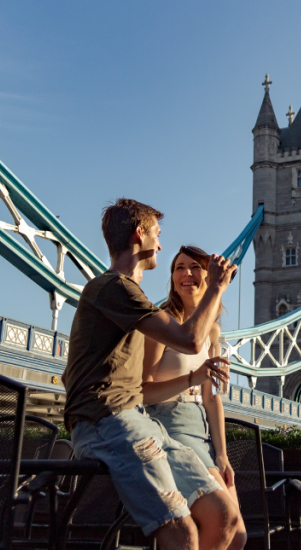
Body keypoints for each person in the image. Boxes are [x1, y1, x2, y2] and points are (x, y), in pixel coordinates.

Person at [62, 198, 243, 550]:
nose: (160, 244)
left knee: (226, 517)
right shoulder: (112, 287)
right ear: (138, 234)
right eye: (157, 234)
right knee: (181, 532)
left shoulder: (132, 296)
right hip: (107, 422)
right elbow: (189, 340)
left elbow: (123, 383)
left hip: (141, 421)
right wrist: (217, 286)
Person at [142, 246, 246, 547]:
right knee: (223, 523)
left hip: (201, 432)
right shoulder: (162, 324)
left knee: (238, 535)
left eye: (194, 267)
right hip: (169, 425)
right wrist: (192, 377)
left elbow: (212, 398)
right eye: (178, 268)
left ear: (209, 275)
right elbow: (143, 392)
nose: (186, 274)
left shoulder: (212, 332)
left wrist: (222, 453)